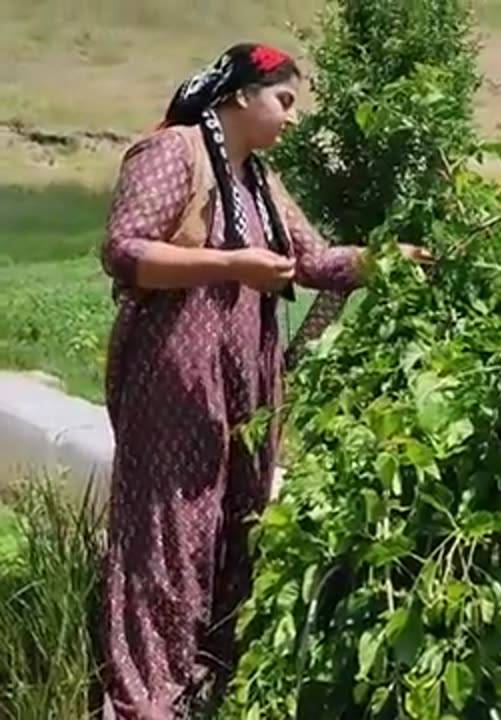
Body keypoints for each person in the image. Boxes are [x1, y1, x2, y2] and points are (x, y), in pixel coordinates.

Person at [94, 42, 426, 719]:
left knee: (235, 524)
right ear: (242, 95)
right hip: (175, 377)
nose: (293, 118)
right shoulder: (175, 154)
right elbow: (124, 252)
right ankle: (145, 702)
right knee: (169, 534)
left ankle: (204, 684)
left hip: (243, 383)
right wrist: (230, 265)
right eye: (285, 101)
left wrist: (387, 259)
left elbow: (310, 260)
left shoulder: (257, 182)